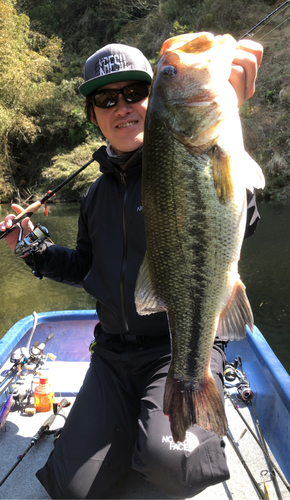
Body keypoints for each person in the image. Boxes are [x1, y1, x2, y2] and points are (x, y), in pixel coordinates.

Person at [0, 38, 263, 499]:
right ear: (94, 115)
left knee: (174, 465)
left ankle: (160, 428)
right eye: (106, 99)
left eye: (135, 93)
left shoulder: (190, 157)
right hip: (112, 356)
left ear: (152, 104)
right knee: (70, 489)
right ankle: (129, 431)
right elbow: (85, 266)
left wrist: (230, 103)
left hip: (175, 345)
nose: (121, 107)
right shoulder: (94, 197)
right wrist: (30, 249)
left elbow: (242, 214)